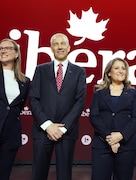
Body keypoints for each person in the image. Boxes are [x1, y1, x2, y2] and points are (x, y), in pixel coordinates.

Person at [29, 33, 86, 180]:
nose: (59, 46)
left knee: (64, 175)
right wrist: (47, 125)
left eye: (63, 44)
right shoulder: (41, 70)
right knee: (38, 174)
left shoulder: (79, 72)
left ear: (69, 48)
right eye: (56, 44)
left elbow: (80, 102)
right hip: (42, 130)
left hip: (66, 132)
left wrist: (62, 128)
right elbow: (34, 99)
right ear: (51, 48)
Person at [89, 57, 136, 180]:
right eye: (117, 68)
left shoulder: (133, 93)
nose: (121, 71)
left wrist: (121, 136)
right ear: (108, 72)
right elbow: (94, 116)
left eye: (123, 68)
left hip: (127, 146)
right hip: (102, 145)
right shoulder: (99, 92)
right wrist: (109, 137)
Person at [0, 38, 30, 180]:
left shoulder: (25, 81)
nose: (3, 50)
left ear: (16, 54)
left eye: (7, 48)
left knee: (4, 173)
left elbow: (18, 107)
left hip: (11, 134)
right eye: (1, 48)